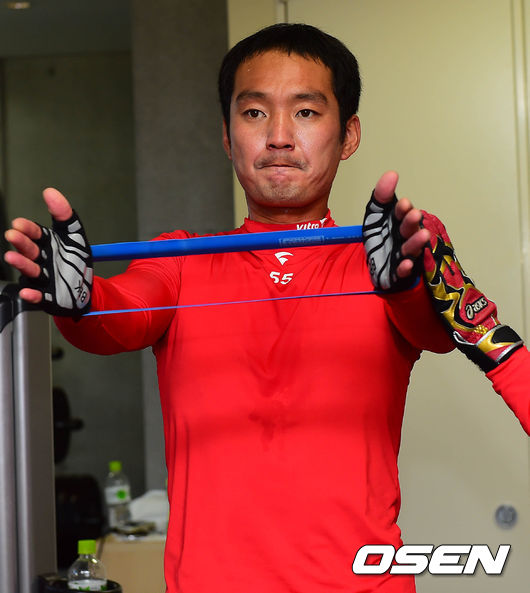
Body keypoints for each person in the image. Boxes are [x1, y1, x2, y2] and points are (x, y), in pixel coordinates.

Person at [3, 23, 527, 593]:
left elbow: (435, 330)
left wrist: (403, 287)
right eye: (254, 113)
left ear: (348, 134)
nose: (279, 136)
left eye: (306, 112)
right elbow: (121, 316)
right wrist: (81, 302)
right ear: (228, 137)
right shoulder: (179, 260)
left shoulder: (392, 250)